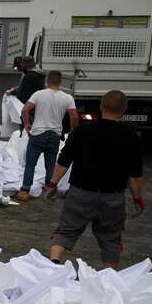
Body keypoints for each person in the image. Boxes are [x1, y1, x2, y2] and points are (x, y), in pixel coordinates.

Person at [46, 89, 145, 268]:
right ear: (125, 109)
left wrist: (52, 184)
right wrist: (138, 199)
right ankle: (107, 282)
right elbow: (135, 176)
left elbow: (64, 161)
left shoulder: (83, 130)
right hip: (112, 198)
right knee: (110, 240)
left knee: (66, 231)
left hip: (80, 193)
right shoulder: (132, 136)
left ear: (101, 106)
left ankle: (53, 267)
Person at [16, 70, 79, 201]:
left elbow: (25, 110)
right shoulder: (67, 98)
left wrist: (27, 124)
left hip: (38, 133)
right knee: (50, 164)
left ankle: (25, 190)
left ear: (47, 81)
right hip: (55, 135)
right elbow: (74, 116)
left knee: (30, 163)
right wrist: (73, 130)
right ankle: (49, 189)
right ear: (60, 82)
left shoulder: (39, 94)